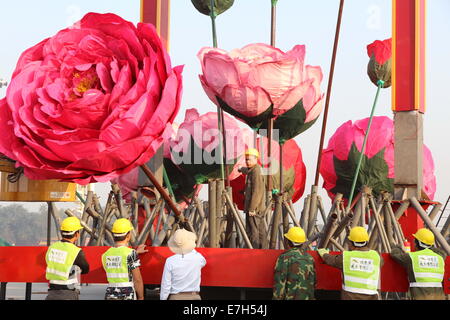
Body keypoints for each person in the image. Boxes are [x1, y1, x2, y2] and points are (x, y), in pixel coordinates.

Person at [318, 226, 383, 300]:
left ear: (352, 244)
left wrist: (324, 254)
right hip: (372, 297)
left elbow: (332, 260)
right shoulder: (377, 256)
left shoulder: (346, 257)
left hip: (350, 297)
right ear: (366, 241)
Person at [390, 228, 446, 300]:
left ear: (418, 243)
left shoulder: (411, 257)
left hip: (419, 296)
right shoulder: (440, 257)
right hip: (438, 297)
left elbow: (395, 254)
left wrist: (396, 247)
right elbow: (440, 252)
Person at [102, 218, 148, 300]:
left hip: (110, 293)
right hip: (127, 293)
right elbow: (137, 279)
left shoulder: (105, 255)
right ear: (128, 235)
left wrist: (136, 252)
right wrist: (141, 297)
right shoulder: (130, 253)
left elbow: (119, 261)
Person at [45, 216, 90, 300]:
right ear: (77, 234)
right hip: (68, 293)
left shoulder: (52, 248)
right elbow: (86, 269)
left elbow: (49, 262)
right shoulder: (75, 251)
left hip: (52, 292)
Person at [160, 229, 206, 300]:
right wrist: (190, 246)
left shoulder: (170, 260)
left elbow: (166, 284)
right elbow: (204, 262)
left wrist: (163, 298)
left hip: (176, 297)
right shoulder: (198, 258)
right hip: (194, 296)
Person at [273, 227, 316, 300]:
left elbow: (280, 285)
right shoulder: (310, 258)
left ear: (289, 242)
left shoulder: (284, 258)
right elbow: (313, 282)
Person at [239, 148, 266, 249]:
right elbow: (247, 171)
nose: (247, 161)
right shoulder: (252, 170)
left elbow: (257, 192)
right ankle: (259, 251)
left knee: (254, 232)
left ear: (256, 159)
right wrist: (240, 169)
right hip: (253, 208)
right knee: (255, 230)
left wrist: (252, 208)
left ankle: (255, 252)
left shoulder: (256, 171)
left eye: (249, 159)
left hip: (255, 209)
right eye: (246, 159)